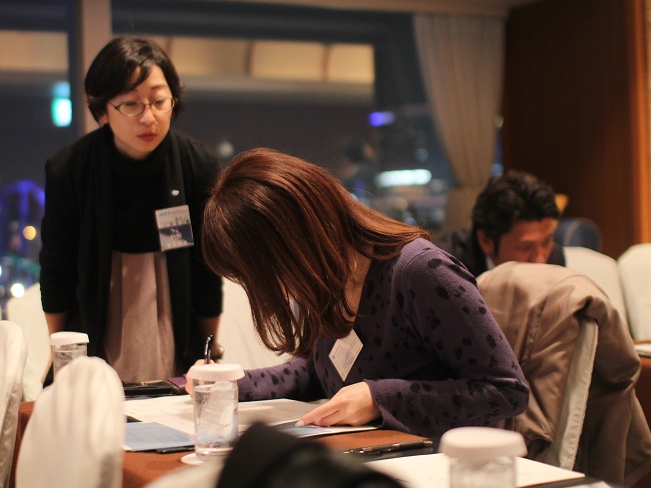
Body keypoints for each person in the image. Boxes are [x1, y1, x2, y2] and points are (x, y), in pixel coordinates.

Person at [194, 148, 529, 438]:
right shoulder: (327, 278)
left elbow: (505, 391)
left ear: (292, 245)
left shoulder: (420, 272)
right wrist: (233, 383)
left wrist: (379, 399)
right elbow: (320, 372)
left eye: (262, 276)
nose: (269, 291)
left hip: (432, 469)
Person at [39, 37, 223, 383]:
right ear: (102, 111)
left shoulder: (197, 164)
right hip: (97, 315)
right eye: (130, 104)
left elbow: (206, 268)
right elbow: (56, 266)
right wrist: (58, 349)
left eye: (159, 101)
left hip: (173, 313)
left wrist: (209, 348)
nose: (148, 117)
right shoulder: (70, 169)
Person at [433, 170, 565, 277]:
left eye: (546, 242)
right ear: (485, 241)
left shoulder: (554, 258)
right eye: (525, 247)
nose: (540, 260)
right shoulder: (446, 267)